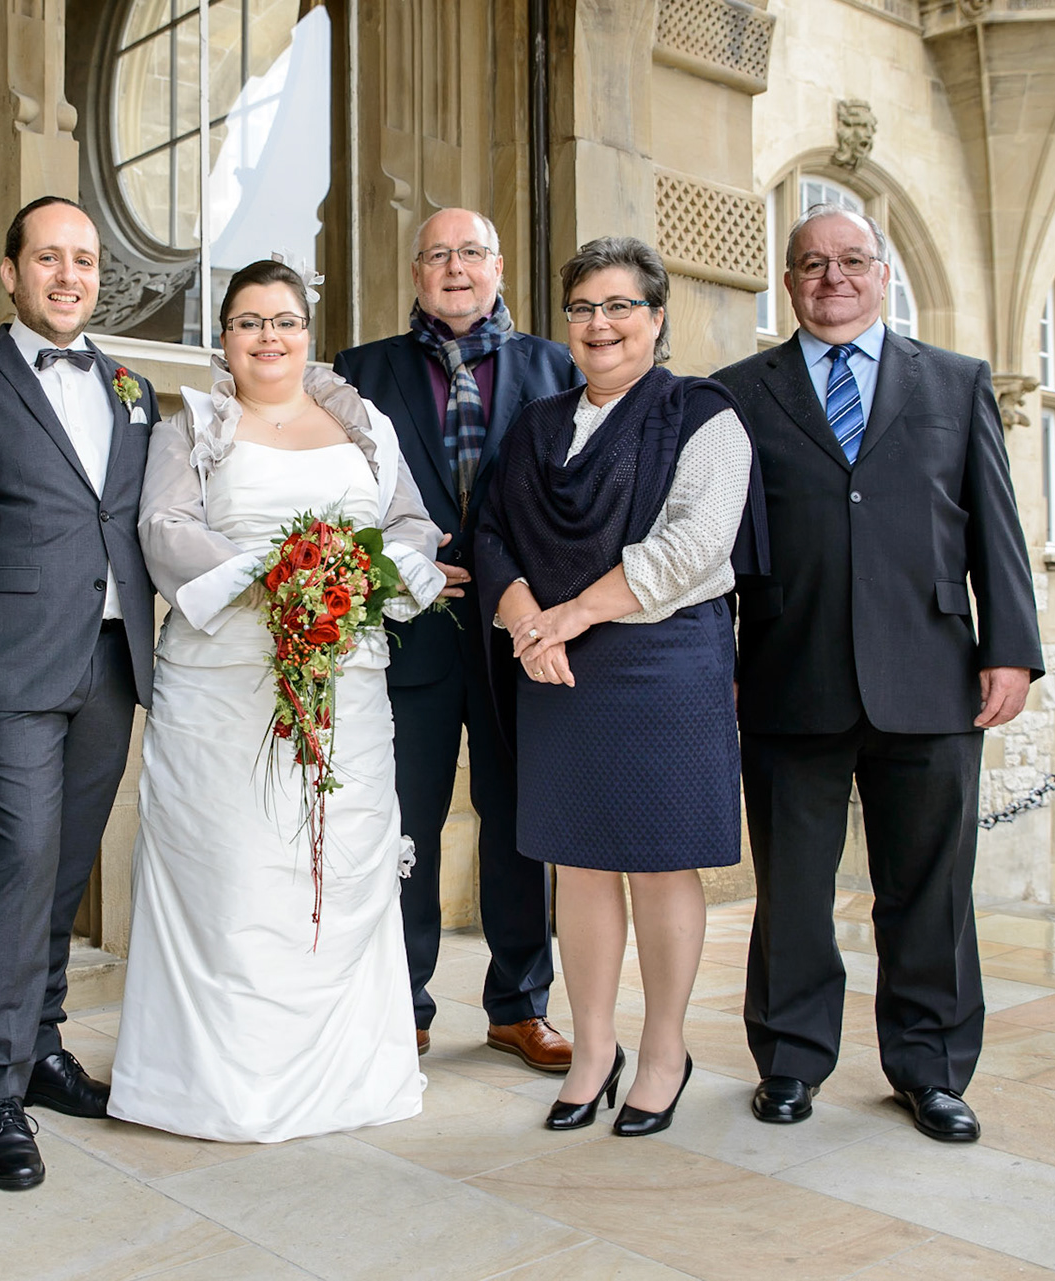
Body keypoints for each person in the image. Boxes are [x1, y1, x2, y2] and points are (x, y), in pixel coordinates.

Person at [713, 205, 1043, 1143]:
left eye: (852, 261)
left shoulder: (956, 381)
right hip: (787, 670)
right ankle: (790, 1058)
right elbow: (717, 543)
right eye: (814, 264)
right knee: (792, 890)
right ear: (788, 282)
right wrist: (717, 663)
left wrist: (1011, 647)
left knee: (930, 891)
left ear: (883, 274)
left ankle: (931, 1069)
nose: (834, 279)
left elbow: (995, 524)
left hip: (932, 672)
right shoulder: (736, 393)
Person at [110, 258, 446, 1142]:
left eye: (285, 320)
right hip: (225, 685)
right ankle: (224, 1083)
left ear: (309, 330)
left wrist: (364, 572)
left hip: (348, 682)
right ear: (223, 337)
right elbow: (164, 527)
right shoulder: (193, 425)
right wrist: (275, 572)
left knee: (340, 863)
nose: (270, 337)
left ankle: (350, 1074)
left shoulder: (362, 422)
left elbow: (410, 524)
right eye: (250, 321)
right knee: (237, 868)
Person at [477, 236, 764, 1138]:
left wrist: (565, 617)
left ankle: (666, 1050)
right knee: (580, 862)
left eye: (619, 306)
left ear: (656, 316)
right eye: (583, 308)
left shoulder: (703, 414)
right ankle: (594, 1049)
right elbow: (491, 531)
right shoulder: (536, 425)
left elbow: (693, 545)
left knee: (661, 861)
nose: (599, 325)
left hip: (662, 663)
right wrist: (529, 623)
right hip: (555, 665)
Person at [0, 197, 160, 1189]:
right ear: (10, 272)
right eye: (49, 259)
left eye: (84, 260)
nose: (69, 277)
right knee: (21, 864)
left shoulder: (130, 386)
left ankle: (41, 1046)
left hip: (112, 662)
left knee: (67, 867)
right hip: (13, 664)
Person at [334, 208, 581, 1070]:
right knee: (408, 823)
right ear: (415, 273)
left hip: (523, 634)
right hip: (413, 635)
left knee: (520, 821)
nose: (455, 268)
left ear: (498, 266)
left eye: (471, 252)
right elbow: (334, 496)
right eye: (437, 254)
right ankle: (402, 1000)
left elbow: (577, 495)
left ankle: (520, 1004)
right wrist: (398, 562)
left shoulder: (556, 367)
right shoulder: (361, 372)